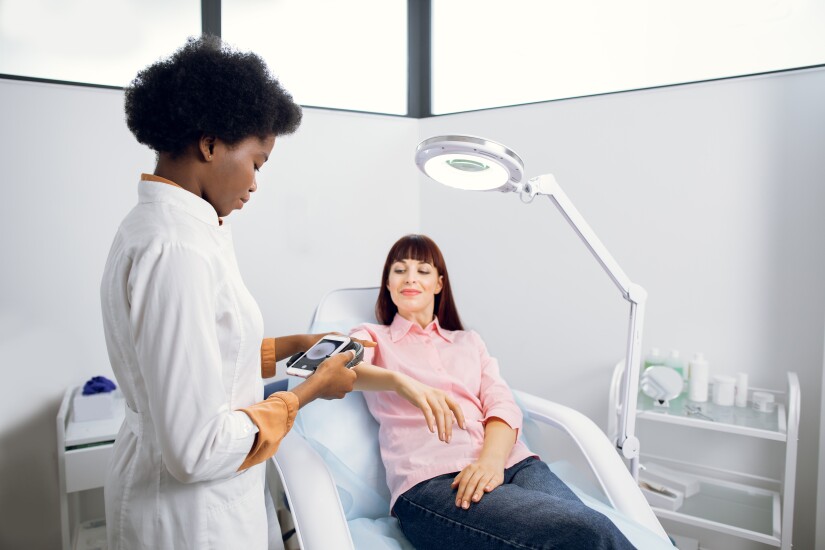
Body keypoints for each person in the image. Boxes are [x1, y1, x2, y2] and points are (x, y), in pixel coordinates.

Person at [100, 36, 362, 550]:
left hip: (197, 502)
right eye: (257, 163)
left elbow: (206, 356)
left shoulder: (173, 228)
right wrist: (309, 391)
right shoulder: (176, 249)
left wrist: (291, 347)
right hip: (188, 519)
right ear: (210, 144)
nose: (255, 184)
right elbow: (197, 450)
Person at [349, 234, 636, 550]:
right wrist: (400, 382)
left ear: (439, 284)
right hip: (434, 482)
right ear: (388, 283)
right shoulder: (371, 336)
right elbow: (340, 368)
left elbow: (502, 404)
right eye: (400, 270)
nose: (410, 278)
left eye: (423, 270)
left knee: (590, 527)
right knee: (588, 530)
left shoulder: (469, 342)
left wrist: (491, 462)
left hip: (513, 464)